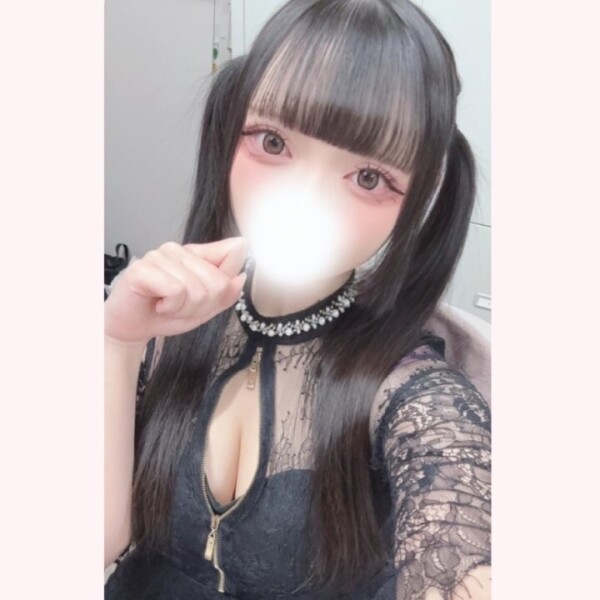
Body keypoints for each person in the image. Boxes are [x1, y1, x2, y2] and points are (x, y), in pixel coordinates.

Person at [104, 1, 491, 598]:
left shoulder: (415, 395)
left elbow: (464, 540)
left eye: (369, 178)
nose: (303, 198)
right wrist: (116, 340)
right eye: (272, 141)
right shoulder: (162, 322)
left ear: (419, 203)